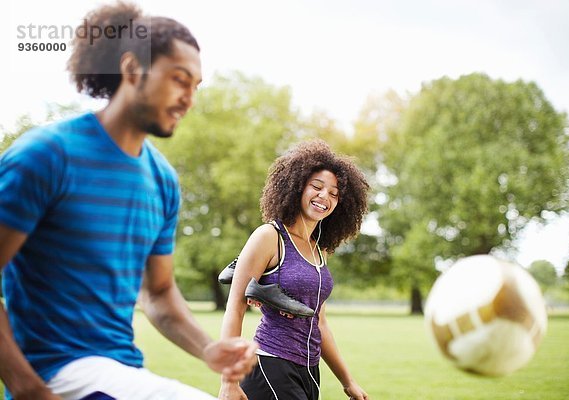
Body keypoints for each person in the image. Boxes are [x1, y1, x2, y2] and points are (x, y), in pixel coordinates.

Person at [0, 2, 257, 399]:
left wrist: (208, 349)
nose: (189, 98)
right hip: (55, 374)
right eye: (178, 79)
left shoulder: (162, 181)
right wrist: (27, 387)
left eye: (195, 86)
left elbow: (158, 293)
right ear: (132, 70)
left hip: (119, 371)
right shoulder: (47, 156)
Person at [219, 140, 370, 400]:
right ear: (298, 187)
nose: (325, 197)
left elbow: (319, 323)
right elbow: (235, 308)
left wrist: (348, 382)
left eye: (334, 193)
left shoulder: (319, 251)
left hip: (309, 371)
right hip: (270, 363)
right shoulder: (269, 237)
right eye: (317, 187)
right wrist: (228, 381)